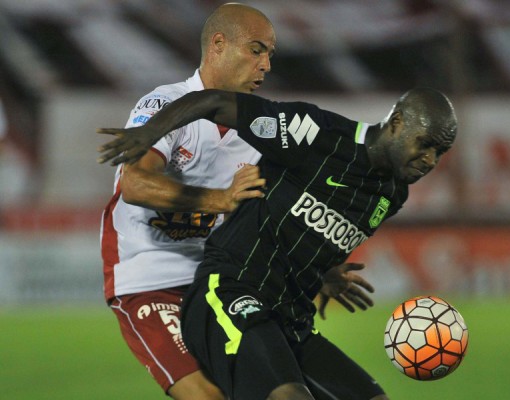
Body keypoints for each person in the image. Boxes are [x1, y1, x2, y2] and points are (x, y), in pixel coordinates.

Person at [97, 86, 457, 400]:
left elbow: (306, 228)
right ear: (397, 123)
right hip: (230, 291)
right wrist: (151, 133)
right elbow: (214, 101)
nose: (430, 160)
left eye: (440, 153)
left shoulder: (393, 194)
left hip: (290, 319)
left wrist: (324, 271)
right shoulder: (315, 133)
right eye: (424, 144)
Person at [100, 4, 374, 400]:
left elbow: (273, 218)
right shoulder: (164, 105)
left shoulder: (259, 129)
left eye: (270, 55)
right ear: (218, 44)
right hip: (148, 277)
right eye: (256, 49)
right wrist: (219, 199)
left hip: (218, 282)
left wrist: (317, 270)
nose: (265, 65)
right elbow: (135, 183)